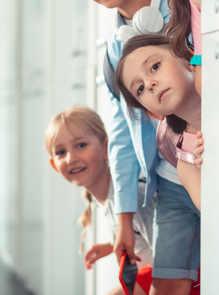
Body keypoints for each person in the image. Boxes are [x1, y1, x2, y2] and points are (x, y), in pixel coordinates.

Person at [58, 0, 199, 294]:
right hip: (169, 185)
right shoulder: (112, 53)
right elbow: (122, 139)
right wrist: (124, 217)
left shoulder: (184, 8)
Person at [45, 105, 156, 295]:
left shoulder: (134, 199)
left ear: (106, 148)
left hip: (190, 273)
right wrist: (111, 245)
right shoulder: (105, 198)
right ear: (54, 165)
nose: (71, 158)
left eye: (81, 145)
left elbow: (173, 259)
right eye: (61, 152)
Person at [115, 34, 204, 211]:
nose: (149, 84)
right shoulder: (187, 164)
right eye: (140, 89)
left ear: (187, 56)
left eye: (155, 67)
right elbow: (216, 212)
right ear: (152, 113)